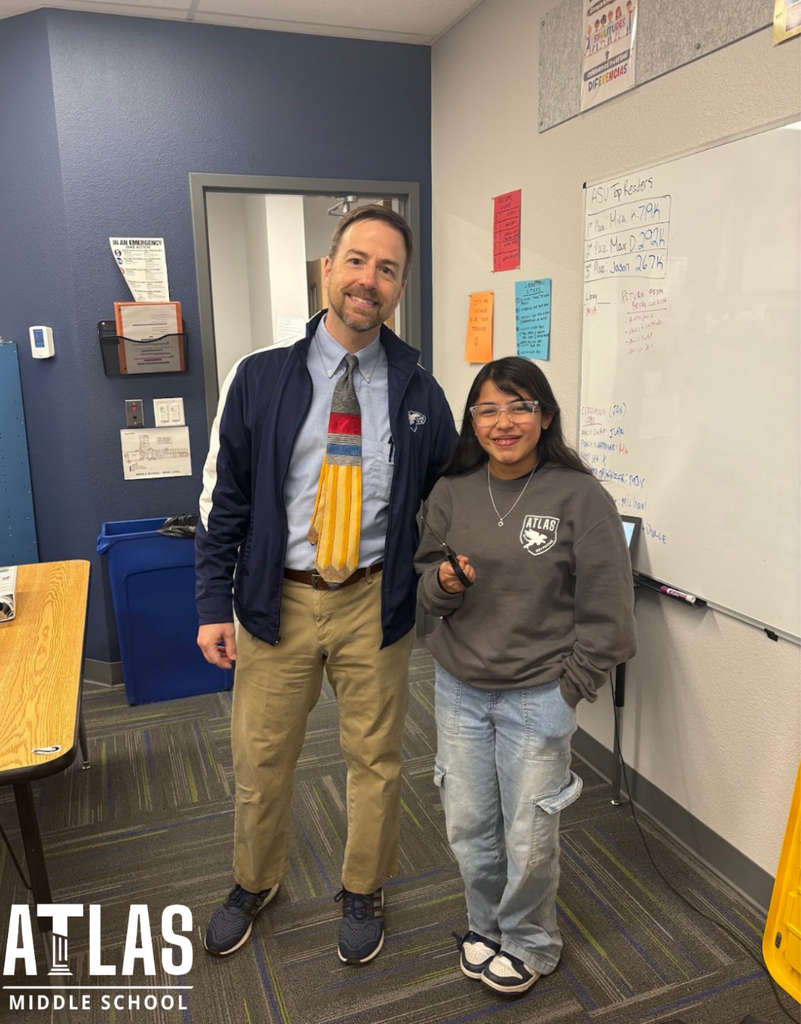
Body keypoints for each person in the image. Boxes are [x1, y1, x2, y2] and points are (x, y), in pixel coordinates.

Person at [195, 204, 457, 966]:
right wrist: (215, 603)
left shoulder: (416, 388)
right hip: (278, 602)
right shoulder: (260, 377)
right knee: (261, 755)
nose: (368, 281)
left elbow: (450, 487)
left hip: (375, 602)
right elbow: (225, 499)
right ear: (327, 270)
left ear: (401, 285)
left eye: (387, 269)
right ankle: (254, 880)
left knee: (376, 761)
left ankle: (364, 887)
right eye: (356, 262)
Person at [415, 357, 636, 995]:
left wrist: (570, 687)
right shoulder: (452, 490)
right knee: (469, 825)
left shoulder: (580, 495)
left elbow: (611, 616)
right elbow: (424, 590)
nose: (503, 422)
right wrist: (445, 583)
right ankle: (485, 927)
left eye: (519, 407)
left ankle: (532, 941)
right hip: (459, 689)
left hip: (539, 693)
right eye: (488, 409)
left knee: (531, 831)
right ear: (472, 420)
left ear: (544, 416)